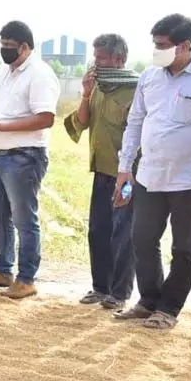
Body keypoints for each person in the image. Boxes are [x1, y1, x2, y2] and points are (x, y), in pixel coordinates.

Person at [113, 14, 191, 329]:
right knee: (142, 239)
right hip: (149, 175)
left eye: (163, 45)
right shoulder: (149, 77)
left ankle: (168, 309)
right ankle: (148, 300)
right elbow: (135, 122)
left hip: (190, 179)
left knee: (184, 247)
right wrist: (125, 168)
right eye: (155, 44)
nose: (157, 50)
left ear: (186, 45)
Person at [0, 21, 60, 298]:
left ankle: (27, 278)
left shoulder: (40, 74)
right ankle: (2, 270)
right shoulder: (1, 71)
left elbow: (46, 118)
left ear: (25, 47)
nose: (4, 50)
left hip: (24, 157)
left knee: (24, 219)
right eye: (2, 45)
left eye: (9, 46)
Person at [63, 34, 139, 310]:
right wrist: (85, 93)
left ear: (119, 59)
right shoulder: (97, 87)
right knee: (98, 231)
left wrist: (127, 171)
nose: (96, 64)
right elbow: (81, 123)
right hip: (101, 173)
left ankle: (119, 293)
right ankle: (100, 287)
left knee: (123, 234)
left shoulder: (136, 89)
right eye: (95, 59)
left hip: (127, 175)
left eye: (102, 59)